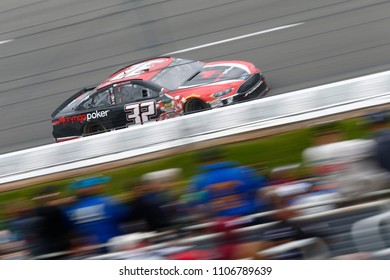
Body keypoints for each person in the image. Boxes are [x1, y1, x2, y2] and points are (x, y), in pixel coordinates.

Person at [186, 147, 269, 219]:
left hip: (218, 222)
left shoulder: (197, 180)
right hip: (251, 215)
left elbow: (190, 203)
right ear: (222, 157)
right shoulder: (243, 171)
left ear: (202, 162)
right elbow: (261, 187)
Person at [65, 176, 129, 250]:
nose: (101, 186)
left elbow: (68, 225)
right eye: (97, 184)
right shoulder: (108, 201)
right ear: (91, 188)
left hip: (89, 249)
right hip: (113, 245)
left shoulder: (70, 208)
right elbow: (126, 215)